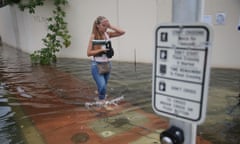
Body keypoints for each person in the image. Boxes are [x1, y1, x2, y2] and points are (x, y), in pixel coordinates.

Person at [87, 16, 125, 101]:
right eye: (103, 25)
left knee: (103, 87)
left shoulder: (107, 34)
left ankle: (100, 97)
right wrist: (101, 50)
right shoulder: (93, 36)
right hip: (96, 65)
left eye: (106, 26)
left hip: (107, 64)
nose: (105, 27)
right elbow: (88, 53)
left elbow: (122, 32)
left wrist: (110, 26)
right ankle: (102, 103)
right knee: (103, 87)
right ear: (97, 25)